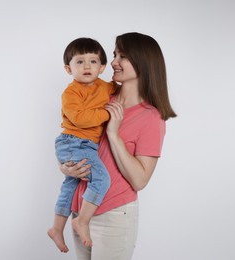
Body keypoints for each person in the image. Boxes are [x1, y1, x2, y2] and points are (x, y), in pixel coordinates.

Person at [59, 32, 177, 260]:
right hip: (80, 210)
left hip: (114, 214)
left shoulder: (151, 117)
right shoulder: (101, 97)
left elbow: (140, 180)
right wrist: (65, 167)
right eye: (115, 55)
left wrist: (113, 134)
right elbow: (71, 138)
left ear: (142, 62)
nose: (113, 62)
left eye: (122, 56)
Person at [47, 37, 118, 253]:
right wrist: (106, 113)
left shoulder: (106, 87)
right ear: (69, 69)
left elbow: (127, 87)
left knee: (71, 184)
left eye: (93, 61)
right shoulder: (71, 93)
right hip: (73, 142)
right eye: (80, 62)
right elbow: (79, 118)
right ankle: (82, 221)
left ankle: (57, 228)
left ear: (102, 66)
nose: (87, 66)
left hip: (84, 145)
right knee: (102, 178)